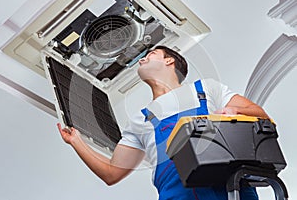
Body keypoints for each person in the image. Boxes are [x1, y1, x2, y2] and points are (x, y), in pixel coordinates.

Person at [57, 45, 269, 200]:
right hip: (177, 196)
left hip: (231, 190)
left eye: (150, 55)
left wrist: (233, 110)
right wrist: (76, 141)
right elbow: (112, 173)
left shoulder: (205, 89)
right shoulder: (141, 119)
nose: (141, 60)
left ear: (170, 61)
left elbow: (260, 115)